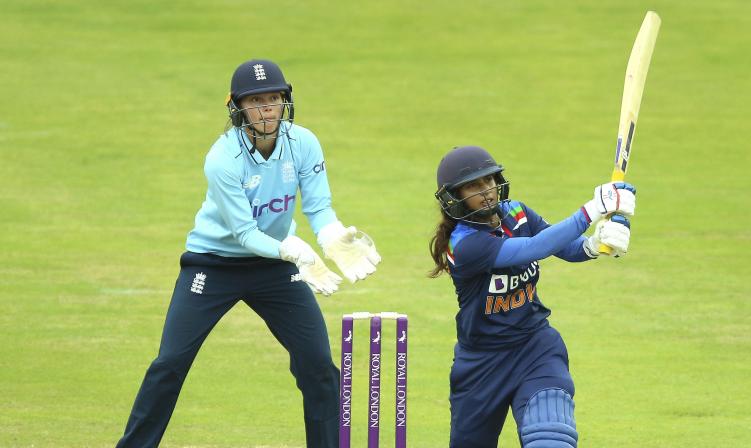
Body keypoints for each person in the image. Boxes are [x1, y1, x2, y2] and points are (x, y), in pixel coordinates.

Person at [116, 59, 380, 448]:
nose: (267, 108)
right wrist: (294, 250)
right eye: (256, 101)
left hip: (275, 268)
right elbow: (243, 233)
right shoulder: (223, 159)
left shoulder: (303, 142)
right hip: (213, 265)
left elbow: (319, 207)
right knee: (170, 364)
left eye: (274, 98)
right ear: (238, 107)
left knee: (319, 368)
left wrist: (333, 238)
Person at [429, 145, 635, 448]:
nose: (486, 191)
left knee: (551, 440)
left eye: (488, 181)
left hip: (535, 348)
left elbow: (563, 247)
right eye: (473, 186)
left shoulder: (517, 213)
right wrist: (592, 210)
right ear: (453, 198)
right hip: (481, 365)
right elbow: (533, 248)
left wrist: (593, 245)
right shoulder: (465, 245)